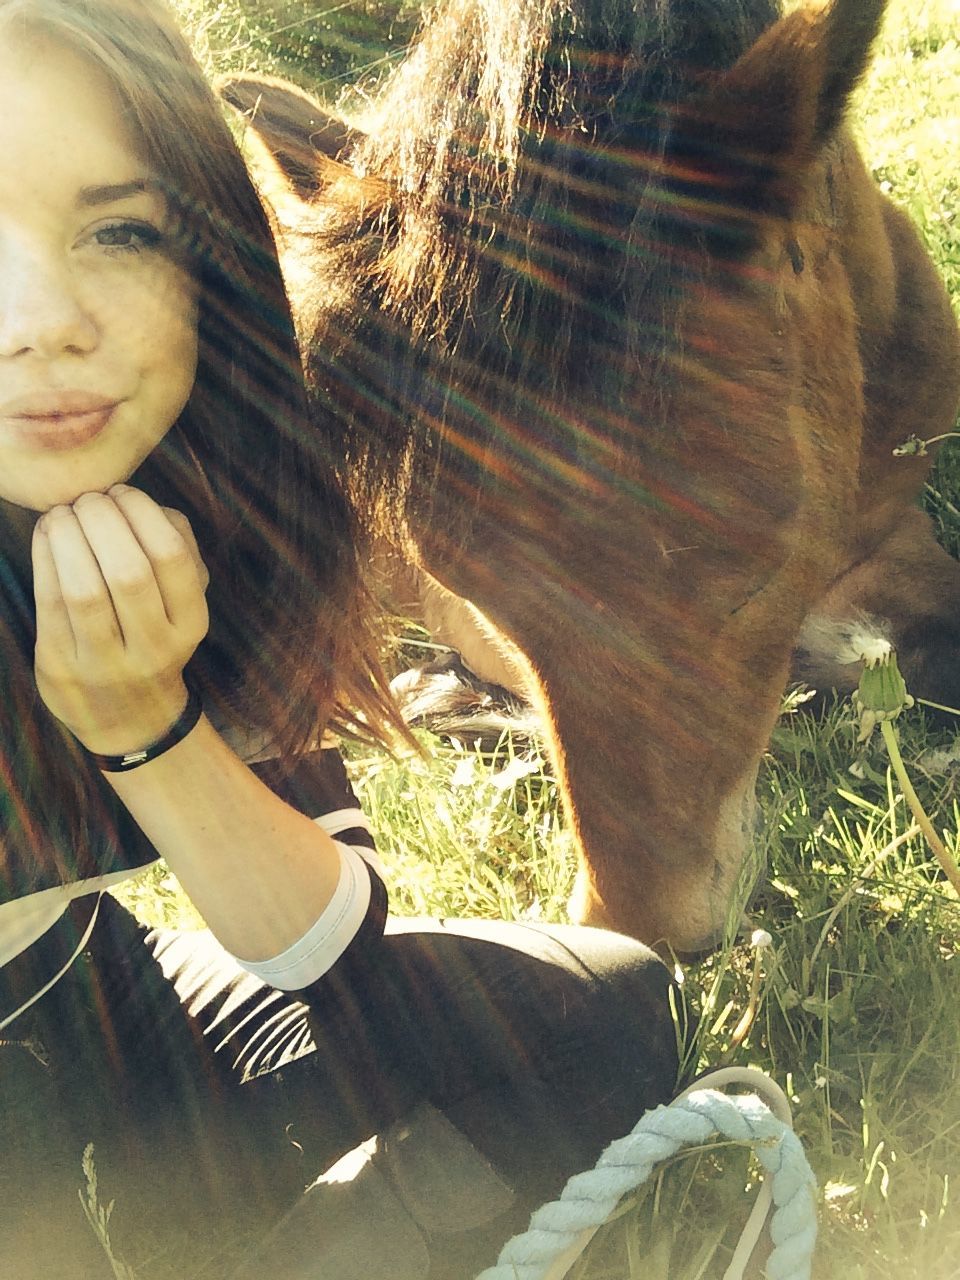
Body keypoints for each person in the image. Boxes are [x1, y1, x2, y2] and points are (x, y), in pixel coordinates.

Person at [0, 1, 681, 1276]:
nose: (41, 320)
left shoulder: (195, 489)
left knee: (602, 1013)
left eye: (116, 230)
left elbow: (327, 944)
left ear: (206, 258)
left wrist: (149, 729)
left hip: (108, 996)